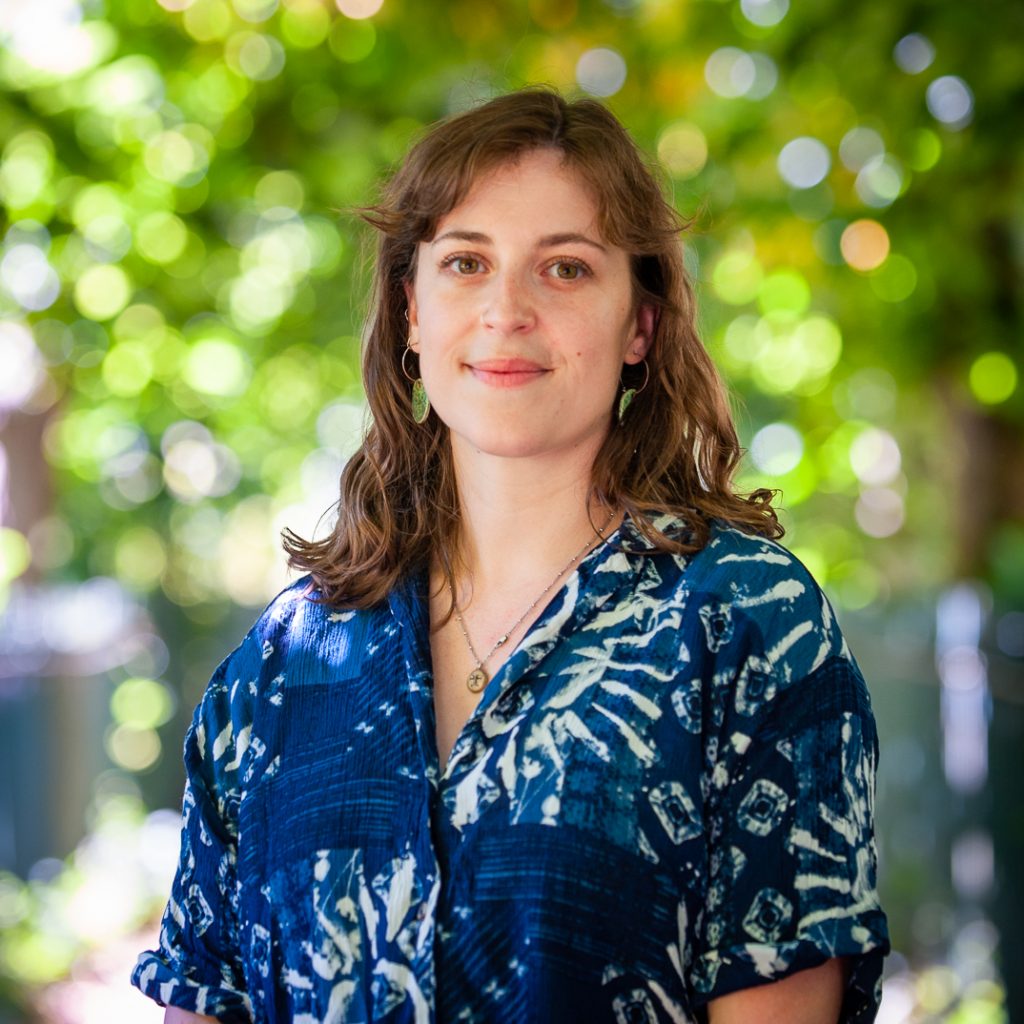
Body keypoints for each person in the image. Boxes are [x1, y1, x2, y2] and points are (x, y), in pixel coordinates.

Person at [132, 87, 889, 1023]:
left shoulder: (747, 626)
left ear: (640, 326)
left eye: (565, 269)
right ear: (412, 311)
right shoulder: (283, 667)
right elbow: (204, 998)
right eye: (464, 263)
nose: (506, 310)